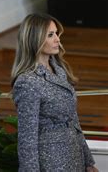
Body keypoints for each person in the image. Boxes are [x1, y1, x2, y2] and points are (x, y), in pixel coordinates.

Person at [11, 13, 98, 172]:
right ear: (34, 40)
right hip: (52, 162)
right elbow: (27, 139)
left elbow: (74, 121)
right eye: (50, 35)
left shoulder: (59, 70)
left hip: (74, 155)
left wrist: (88, 161)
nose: (57, 39)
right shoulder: (27, 82)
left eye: (56, 33)